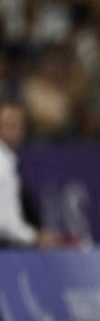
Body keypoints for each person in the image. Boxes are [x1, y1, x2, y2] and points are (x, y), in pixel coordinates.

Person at [0, 99, 61, 248]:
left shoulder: (8, 160)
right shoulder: (2, 164)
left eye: (20, 125)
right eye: (9, 125)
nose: (16, 130)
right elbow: (4, 221)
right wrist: (35, 237)